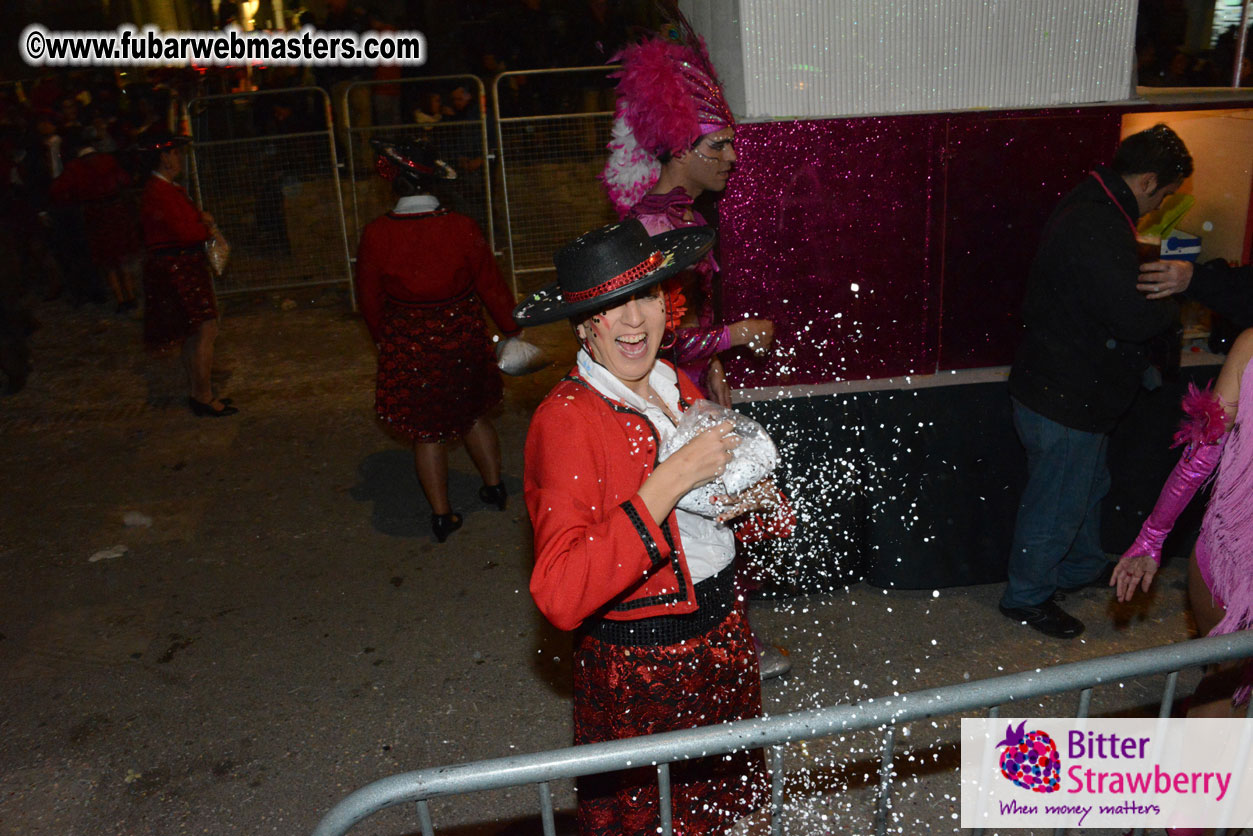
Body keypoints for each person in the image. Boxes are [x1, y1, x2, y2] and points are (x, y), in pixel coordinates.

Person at [515, 218, 794, 836]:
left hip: (725, 638)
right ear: (586, 325)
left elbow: (707, 523)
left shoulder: (676, 382)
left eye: (644, 295)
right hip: (645, 673)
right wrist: (670, 479)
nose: (634, 319)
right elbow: (560, 592)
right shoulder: (566, 421)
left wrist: (751, 506)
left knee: (728, 813)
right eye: (612, 306)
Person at [602, 22, 788, 680]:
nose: (732, 158)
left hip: (688, 390)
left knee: (721, 516)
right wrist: (734, 339)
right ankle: (705, 648)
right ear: (681, 147)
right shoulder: (657, 223)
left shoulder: (684, 215)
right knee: (697, 524)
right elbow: (657, 334)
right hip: (658, 401)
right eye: (718, 145)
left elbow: (687, 323)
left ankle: (725, 640)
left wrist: (713, 376)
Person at [1000, 124, 1193, 638]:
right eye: (1167, 193)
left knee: (1086, 486)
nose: (1160, 206)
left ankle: (1080, 567)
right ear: (1149, 180)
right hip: (1067, 393)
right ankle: (1027, 596)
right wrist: (1172, 305)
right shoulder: (1100, 221)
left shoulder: (1091, 200)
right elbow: (1128, 318)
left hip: (1059, 385)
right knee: (1059, 500)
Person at [1111, 329, 1253, 836]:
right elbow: (1205, 450)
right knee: (1222, 688)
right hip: (1233, 554)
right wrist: (1150, 537)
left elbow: (1203, 454)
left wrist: (1152, 538)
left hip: (1227, 549)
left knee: (1222, 688)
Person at [354, 139, 519, 543]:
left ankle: (443, 516)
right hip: (461, 336)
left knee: (426, 433)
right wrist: (511, 329)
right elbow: (491, 285)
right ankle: (495, 488)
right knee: (473, 414)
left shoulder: (377, 234)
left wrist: (384, 340)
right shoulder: (462, 227)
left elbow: (369, 299)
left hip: (410, 345)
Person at [137, 132, 236, 418]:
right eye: (175, 153)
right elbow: (185, 232)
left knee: (195, 331)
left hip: (177, 266)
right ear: (164, 157)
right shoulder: (162, 191)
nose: (179, 158)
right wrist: (204, 225)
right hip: (179, 268)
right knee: (205, 330)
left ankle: (199, 392)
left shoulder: (163, 189)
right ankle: (203, 395)